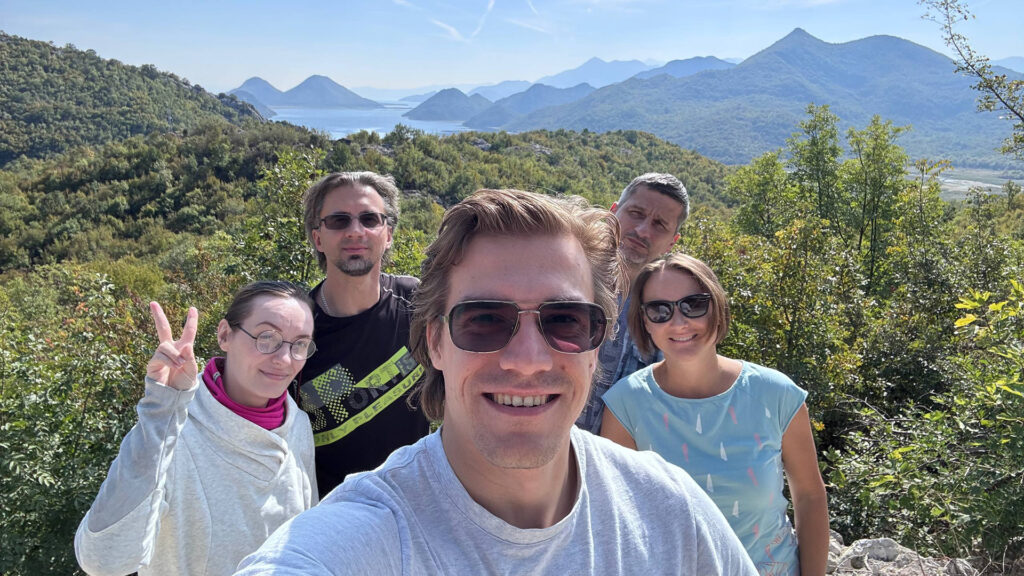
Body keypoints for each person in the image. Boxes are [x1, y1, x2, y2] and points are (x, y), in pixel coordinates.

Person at [236, 189, 757, 575]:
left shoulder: (670, 512)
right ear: (435, 343)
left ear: (598, 343)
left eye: (566, 320)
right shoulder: (364, 539)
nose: (526, 360)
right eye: (484, 320)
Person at [600, 254, 829, 576]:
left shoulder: (776, 394)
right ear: (645, 321)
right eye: (659, 310)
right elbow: (618, 515)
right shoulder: (626, 405)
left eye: (693, 305)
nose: (679, 322)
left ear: (717, 307)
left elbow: (809, 496)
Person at [75, 281, 318, 576]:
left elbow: (305, 536)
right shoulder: (174, 429)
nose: (284, 359)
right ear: (225, 335)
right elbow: (103, 560)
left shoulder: (298, 424)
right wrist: (161, 410)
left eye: (299, 344)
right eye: (267, 337)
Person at [298, 171, 430, 497]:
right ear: (318, 238)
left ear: (388, 235)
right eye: (338, 221)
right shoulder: (295, 329)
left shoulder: (417, 304)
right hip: (334, 513)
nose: (355, 231)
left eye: (370, 219)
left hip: (417, 501)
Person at [576, 172, 690, 434]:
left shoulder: (669, 317)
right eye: (636, 214)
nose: (643, 230)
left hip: (612, 457)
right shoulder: (560, 281)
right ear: (613, 212)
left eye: (660, 224)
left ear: (672, 242)